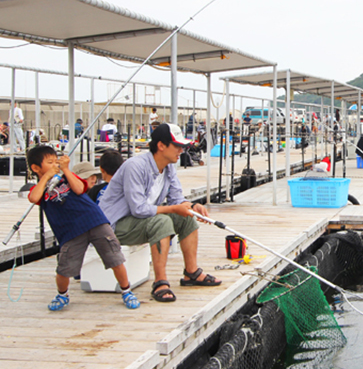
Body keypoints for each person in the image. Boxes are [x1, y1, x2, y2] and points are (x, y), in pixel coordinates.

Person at [99, 123, 221, 303]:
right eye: (177, 146)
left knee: (186, 218)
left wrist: (192, 206)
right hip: (115, 226)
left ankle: (191, 273)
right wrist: (174, 209)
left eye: (182, 146)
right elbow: (139, 209)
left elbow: (176, 199)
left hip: (138, 221)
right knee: (162, 222)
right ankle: (160, 282)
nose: (181, 150)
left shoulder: (169, 167)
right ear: (161, 146)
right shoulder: (135, 166)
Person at [26, 145, 139, 311]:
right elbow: (33, 197)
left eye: (55, 161)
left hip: (94, 220)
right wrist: (47, 176)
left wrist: (65, 170)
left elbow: (79, 188)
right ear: (36, 168)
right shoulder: (40, 189)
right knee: (65, 268)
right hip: (70, 231)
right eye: (49, 162)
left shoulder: (66, 177)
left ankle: (126, 290)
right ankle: (62, 294)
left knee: (114, 257)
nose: (54, 164)